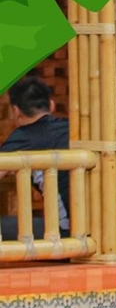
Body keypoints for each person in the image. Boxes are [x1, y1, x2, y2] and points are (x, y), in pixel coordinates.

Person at [0, 76, 70, 238]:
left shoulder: (23, 138)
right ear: (51, 105)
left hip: (65, 234)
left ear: (15, 111)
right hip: (100, 230)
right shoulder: (70, 129)